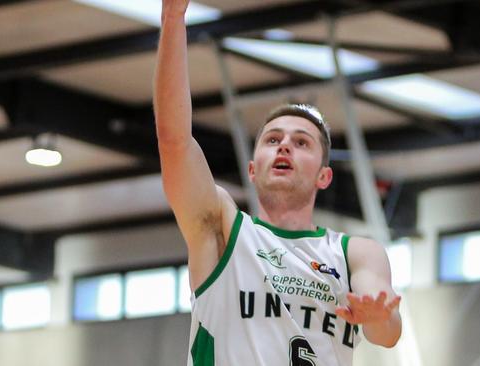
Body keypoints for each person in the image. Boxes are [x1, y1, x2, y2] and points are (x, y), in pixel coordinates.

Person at [154, 1, 401, 365]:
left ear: (324, 175)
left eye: (301, 142)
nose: (284, 144)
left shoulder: (354, 253)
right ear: (253, 170)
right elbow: (174, 141)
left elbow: (388, 331)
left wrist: (379, 317)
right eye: (272, 140)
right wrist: (172, 20)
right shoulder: (223, 229)